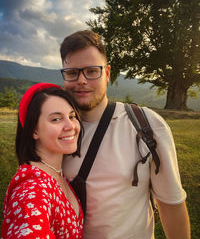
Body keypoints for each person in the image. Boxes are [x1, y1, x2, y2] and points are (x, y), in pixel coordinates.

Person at [60, 30, 191, 239]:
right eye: (72, 72)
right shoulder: (55, 131)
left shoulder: (146, 125)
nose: (82, 80)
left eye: (92, 71)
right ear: (64, 75)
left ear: (108, 73)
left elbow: (171, 204)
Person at [1, 83, 84, 239]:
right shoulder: (32, 189)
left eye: (72, 116)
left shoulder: (56, 172)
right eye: (56, 119)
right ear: (34, 130)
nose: (70, 126)